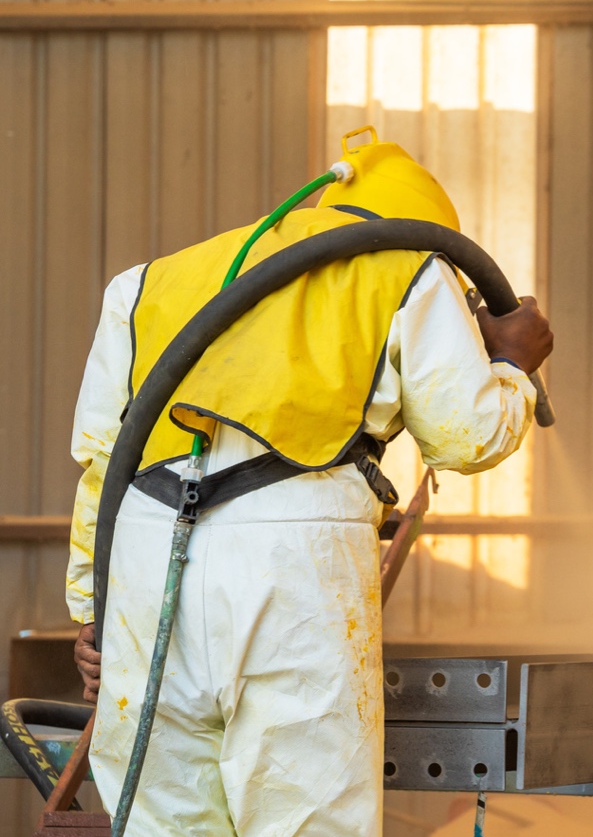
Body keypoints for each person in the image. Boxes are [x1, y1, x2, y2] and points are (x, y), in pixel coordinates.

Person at [63, 129, 552, 835]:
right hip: (291, 562)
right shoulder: (410, 266)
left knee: (162, 820)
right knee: (306, 816)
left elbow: (102, 460)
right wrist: (511, 366)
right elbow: (464, 436)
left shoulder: (150, 281)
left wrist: (92, 615)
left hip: (144, 557)